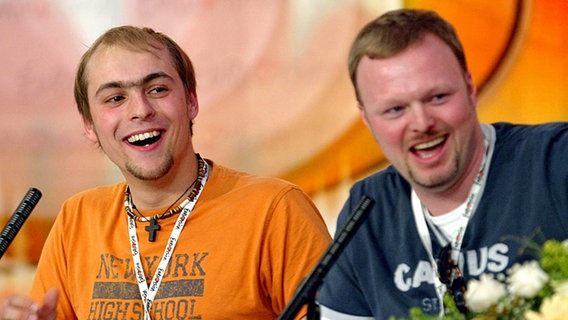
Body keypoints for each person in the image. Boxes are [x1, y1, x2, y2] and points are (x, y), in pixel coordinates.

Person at [0, 25, 331, 319]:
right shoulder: (77, 218)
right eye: (115, 98)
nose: (141, 110)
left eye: (157, 89)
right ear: (89, 126)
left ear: (191, 101)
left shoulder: (274, 209)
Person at [317, 8, 568, 319]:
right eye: (395, 109)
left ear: (470, 88)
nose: (422, 123)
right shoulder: (366, 211)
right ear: (367, 119)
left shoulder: (555, 160)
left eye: (437, 97)